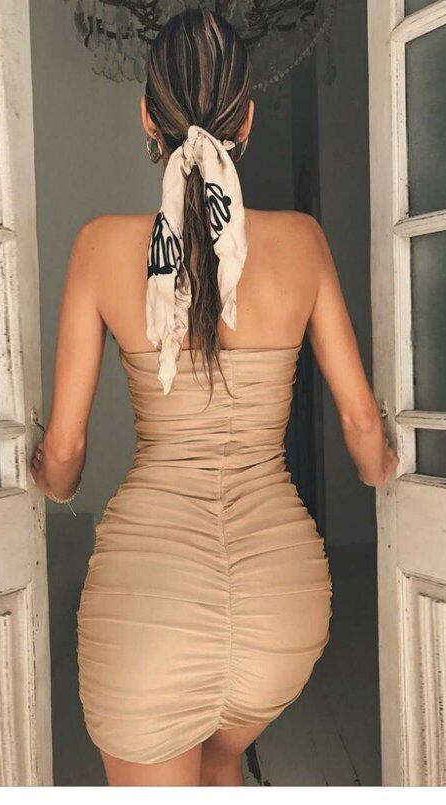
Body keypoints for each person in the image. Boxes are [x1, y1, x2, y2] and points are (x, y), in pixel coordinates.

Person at [31, 7, 398, 787]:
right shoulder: (302, 242)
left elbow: (64, 455)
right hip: (281, 600)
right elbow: (363, 429)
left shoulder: (101, 246)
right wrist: (386, 469)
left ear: (147, 117)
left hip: (150, 600)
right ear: (248, 119)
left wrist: (42, 473)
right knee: (220, 762)